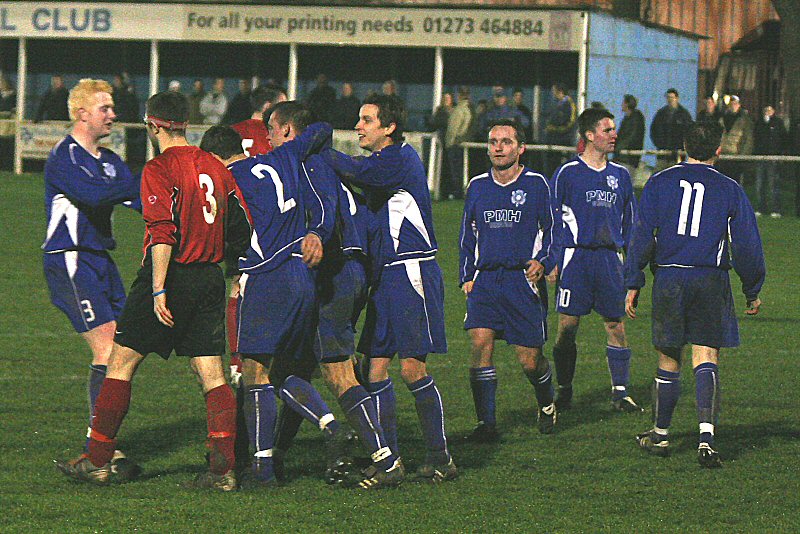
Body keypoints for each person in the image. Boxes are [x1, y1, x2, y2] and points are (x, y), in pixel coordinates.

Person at [57, 90, 244, 491]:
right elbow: (240, 226)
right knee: (211, 373)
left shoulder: (159, 167)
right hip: (209, 278)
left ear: (153, 124)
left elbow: (162, 232)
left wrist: (159, 289)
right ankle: (222, 470)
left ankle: (98, 460)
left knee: (121, 364)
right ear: (186, 123)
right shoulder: (215, 165)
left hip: (171, 275)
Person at [323, 94, 456, 486]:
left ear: (389, 127)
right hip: (386, 277)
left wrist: (312, 149)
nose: (359, 126)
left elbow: (350, 168)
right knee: (374, 367)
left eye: (366, 120)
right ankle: (390, 461)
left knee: (413, 369)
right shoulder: (384, 166)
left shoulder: (398, 158)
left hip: (410, 272)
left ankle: (440, 458)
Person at [266, 102, 400, 486]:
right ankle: (278, 455)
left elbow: (324, 206)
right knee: (293, 368)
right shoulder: (313, 157)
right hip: (348, 272)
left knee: (336, 371)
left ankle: (385, 459)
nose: (270, 140)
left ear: (289, 131)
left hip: (335, 272)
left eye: (273, 131)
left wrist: (318, 235)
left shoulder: (311, 162)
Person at [220, 109, 355, 488]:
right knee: (283, 373)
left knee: (255, 372)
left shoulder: (229, 178)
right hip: (303, 276)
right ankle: (330, 428)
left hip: (269, 275)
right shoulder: (285, 156)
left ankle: (263, 469)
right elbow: (325, 125)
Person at [625, 121, 766, 468]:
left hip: (670, 278)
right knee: (706, 357)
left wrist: (633, 280)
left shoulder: (659, 182)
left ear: (684, 146)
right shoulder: (730, 189)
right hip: (710, 279)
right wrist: (752, 288)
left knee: (669, 357)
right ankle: (706, 438)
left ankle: (660, 434)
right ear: (719, 149)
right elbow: (746, 244)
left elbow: (641, 234)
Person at [43, 78, 140, 470]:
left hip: (101, 261)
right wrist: (125, 189)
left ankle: (100, 446)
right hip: (69, 259)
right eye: (105, 108)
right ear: (82, 114)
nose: (113, 115)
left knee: (123, 353)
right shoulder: (63, 156)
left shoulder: (110, 160)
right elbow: (98, 195)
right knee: (107, 347)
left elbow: (136, 197)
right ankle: (98, 449)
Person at [459, 119, 557, 442]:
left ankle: (546, 403)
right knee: (479, 344)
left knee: (529, 361)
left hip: (522, 282)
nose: (498, 147)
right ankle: (486, 424)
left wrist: (543, 262)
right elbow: (466, 236)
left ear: (521, 148)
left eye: (506, 142)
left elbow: (555, 232)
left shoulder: (536, 185)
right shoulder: (477, 186)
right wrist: (466, 276)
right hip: (486, 280)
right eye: (493, 142)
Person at [550, 107, 641, 413]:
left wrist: (633, 268)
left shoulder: (620, 176)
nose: (614, 135)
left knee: (616, 325)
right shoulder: (568, 173)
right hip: (576, 259)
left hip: (609, 260)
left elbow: (631, 224)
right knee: (567, 328)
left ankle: (620, 392)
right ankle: (564, 387)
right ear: (589, 135)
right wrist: (554, 259)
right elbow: (551, 220)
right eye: (607, 130)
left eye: (614, 129)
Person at [231, 84, 286, 157]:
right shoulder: (273, 135)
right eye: (281, 106)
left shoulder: (232, 130)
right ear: (268, 106)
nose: (285, 110)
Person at [753, 105, 788, 217]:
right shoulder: (759, 123)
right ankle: (761, 207)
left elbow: (783, 139)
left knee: (773, 184)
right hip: (761, 157)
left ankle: (775, 209)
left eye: (770, 110)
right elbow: (756, 138)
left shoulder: (778, 123)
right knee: (760, 185)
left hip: (773, 157)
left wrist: (781, 154)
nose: (768, 112)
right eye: (766, 110)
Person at [650, 88, 693, 172]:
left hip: (678, 154)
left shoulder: (684, 115)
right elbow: (654, 130)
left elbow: (689, 132)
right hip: (662, 153)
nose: (670, 100)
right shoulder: (661, 114)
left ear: (677, 98)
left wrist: (682, 147)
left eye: (672, 97)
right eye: (668, 97)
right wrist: (659, 145)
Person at [445, 86, 473, 199]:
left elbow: (454, 129)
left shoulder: (460, 110)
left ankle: (457, 192)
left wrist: (451, 141)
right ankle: (457, 191)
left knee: (456, 170)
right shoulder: (465, 109)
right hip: (457, 143)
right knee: (457, 169)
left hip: (455, 144)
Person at [544, 83, 577, 177]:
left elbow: (570, 123)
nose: (553, 93)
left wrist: (555, 129)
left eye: (554, 91)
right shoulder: (557, 104)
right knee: (551, 168)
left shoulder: (569, 104)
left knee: (562, 169)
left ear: (560, 91)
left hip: (563, 141)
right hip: (553, 141)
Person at [719, 95, 754, 184]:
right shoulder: (723, 118)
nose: (733, 106)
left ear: (739, 105)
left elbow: (748, 139)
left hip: (735, 156)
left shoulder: (745, 120)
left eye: (735, 104)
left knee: (734, 182)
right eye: (731, 104)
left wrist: (742, 156)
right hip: (722, 156)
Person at [614, 94, 645, 171]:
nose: (621, 105)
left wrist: (619, 148)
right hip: (622, 157)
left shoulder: (636, 119)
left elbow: (631, 136)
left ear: (627, 104)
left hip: (629, 158)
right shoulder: (627, 119)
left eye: (623, 103)